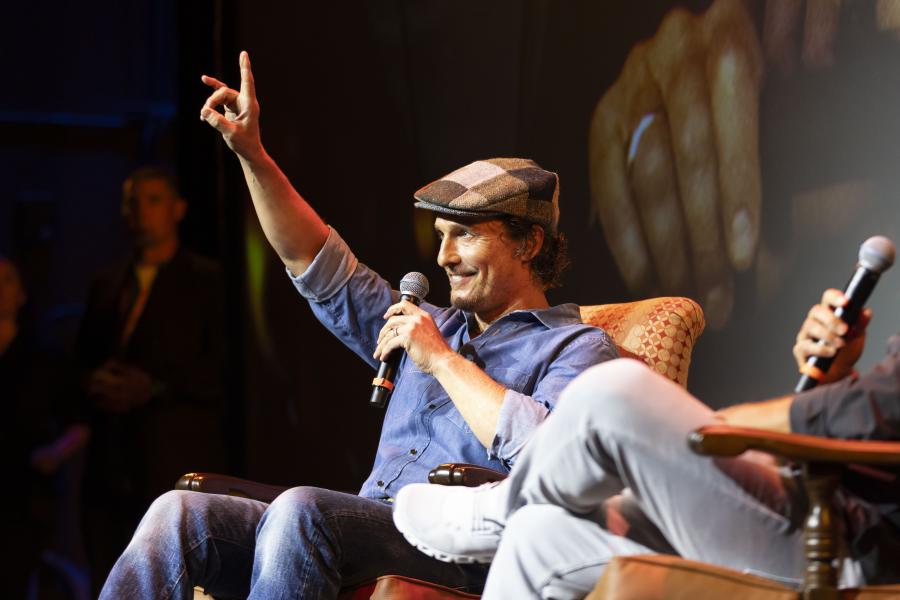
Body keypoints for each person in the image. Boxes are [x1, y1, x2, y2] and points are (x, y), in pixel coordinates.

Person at [97, 51, 616, 599]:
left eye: (464, 235)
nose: (442, 257)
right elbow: (317, 264)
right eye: (439, 236)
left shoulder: (577, 347)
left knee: (303, 510)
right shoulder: (424, 323)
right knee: (178, 513)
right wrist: (252, 155)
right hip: (369, 525)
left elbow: (550, 455)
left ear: (528, 242)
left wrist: (441, 359)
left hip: (464, 550)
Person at [393, 287, 900, 598]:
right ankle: (513, 512)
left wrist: (726, 428)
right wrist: (835, 375)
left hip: (856, 544)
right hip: (819, 503)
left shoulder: (574, 342)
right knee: (537, 535)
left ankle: (498, 507)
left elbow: (879, 404)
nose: (445, 256)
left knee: (617, 392)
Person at [76, 166, 227, 589]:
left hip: (171, 454)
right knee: (108, 569)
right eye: (132, 201)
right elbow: (79, 363)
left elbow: (220, 369)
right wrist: (96, 382)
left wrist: (155, 385)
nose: (140, 211)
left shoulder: (206, 281)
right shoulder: (107, 284)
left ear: (178, 209)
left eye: (153, 199)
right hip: (110, 463)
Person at [0, 256, 91, 597]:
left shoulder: (43, 356)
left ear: (21, 293)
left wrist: (54, 454)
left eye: (7, 280)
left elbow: (79, 420)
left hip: (24, 493)